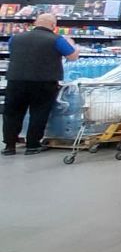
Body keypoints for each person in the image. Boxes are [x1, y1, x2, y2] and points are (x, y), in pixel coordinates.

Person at [3, 13, 79, 156]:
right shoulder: (57, 39)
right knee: (39, 113)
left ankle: (9, 146)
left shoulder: (16, 38)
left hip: (16, 80)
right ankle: (32, 145)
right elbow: (72, 56)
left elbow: (13, 52)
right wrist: (72, 44)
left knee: (12, 113)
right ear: (53, 25)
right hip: (44, 82)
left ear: (35, 23)